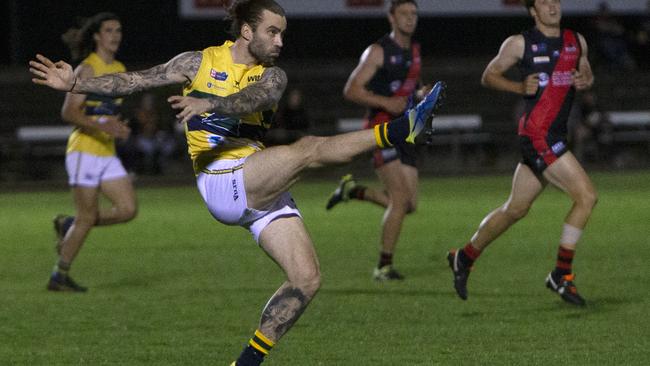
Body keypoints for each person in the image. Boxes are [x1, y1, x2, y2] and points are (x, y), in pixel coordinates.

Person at [30, 0, 446, 363]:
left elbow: (255, 99)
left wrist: (210, 102)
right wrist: (76, 83)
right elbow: (136, 79)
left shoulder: (273, 76)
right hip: (220, 178)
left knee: (307, 278)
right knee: (309, 149)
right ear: (247, 31)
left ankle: (244, 363)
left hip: (259, 182)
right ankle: (401, 129)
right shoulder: (197, 62)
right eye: (272, 31)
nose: (280, 41)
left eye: (282, 33)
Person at [446, 0, 596, 307]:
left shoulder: (575, 41)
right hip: (537, 134)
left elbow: (586, 72)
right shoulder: (519, 43)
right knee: (587, 197)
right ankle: (561, 274)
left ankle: (464, 256)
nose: (552, 6)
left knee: (516, 209)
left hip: (553, 134)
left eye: (555, 0)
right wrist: (518, 87)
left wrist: (585, 78)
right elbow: (488, 75)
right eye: (544, 2)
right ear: (533, 11)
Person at [325, 0, 431, 281]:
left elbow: (411, 88)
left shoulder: (416, 51)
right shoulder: (378, 51)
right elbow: (351, 89)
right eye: (404, 14)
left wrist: (422, 94)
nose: (410, 18)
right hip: (381, 131)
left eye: (414, 14)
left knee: (409, 205)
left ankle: (352, 191)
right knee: (399, 200)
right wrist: (386, 102)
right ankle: (383, 267)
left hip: (406, 132)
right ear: (391, 17)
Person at [49, 12, 137, 292]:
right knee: (88, 217)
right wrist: (103, 125)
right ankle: (59, 277)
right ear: (97, 36)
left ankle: (69, 225)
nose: (115, 35)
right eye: (109, 30)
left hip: (106, 152)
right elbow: (69, 112)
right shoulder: (86, 69)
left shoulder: (120, 67)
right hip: (84, 151)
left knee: (127, 209)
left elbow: (107, 113)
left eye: (119, 30)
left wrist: (119, 128)